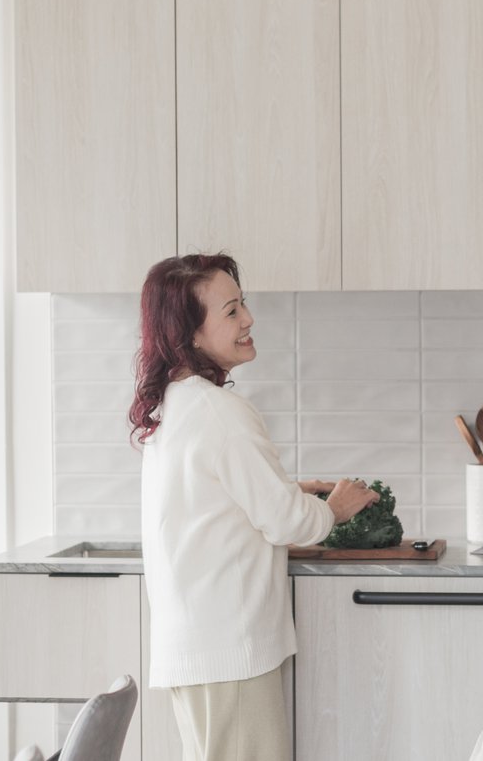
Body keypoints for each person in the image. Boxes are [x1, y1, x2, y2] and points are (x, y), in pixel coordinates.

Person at [131, 253, 378, 761]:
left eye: (242, 305)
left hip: (197, 648)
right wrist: (335, 508)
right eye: (230, 311)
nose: (248, 320)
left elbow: (219, 499)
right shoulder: (221, 411)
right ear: (191, 334)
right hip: (230, 651)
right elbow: (288, 522)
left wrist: (288, 489)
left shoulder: (175, 406)